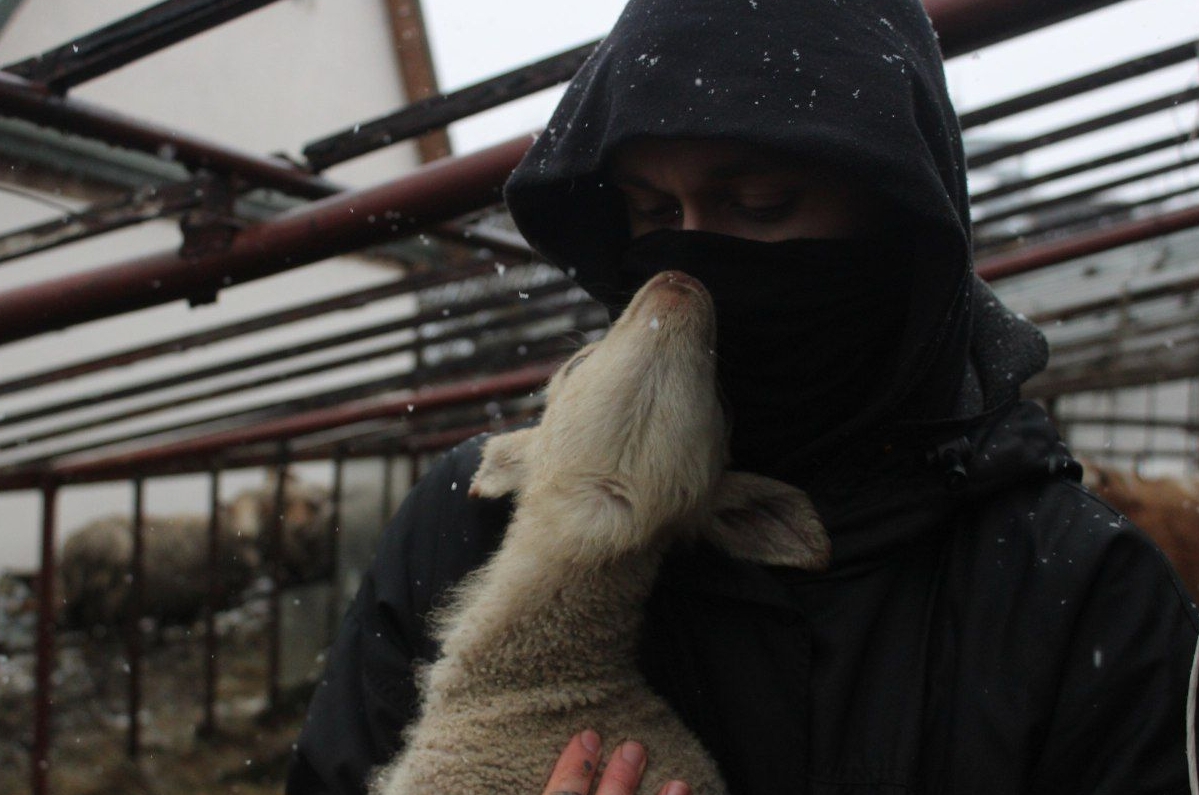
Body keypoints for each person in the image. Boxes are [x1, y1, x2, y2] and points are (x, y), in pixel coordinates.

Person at [286, 0, 1199, 792]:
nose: (685, 265)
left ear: (895, 222)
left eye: (758, 205)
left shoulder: (1071, 593)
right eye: (649, 212)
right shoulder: (474, 517)